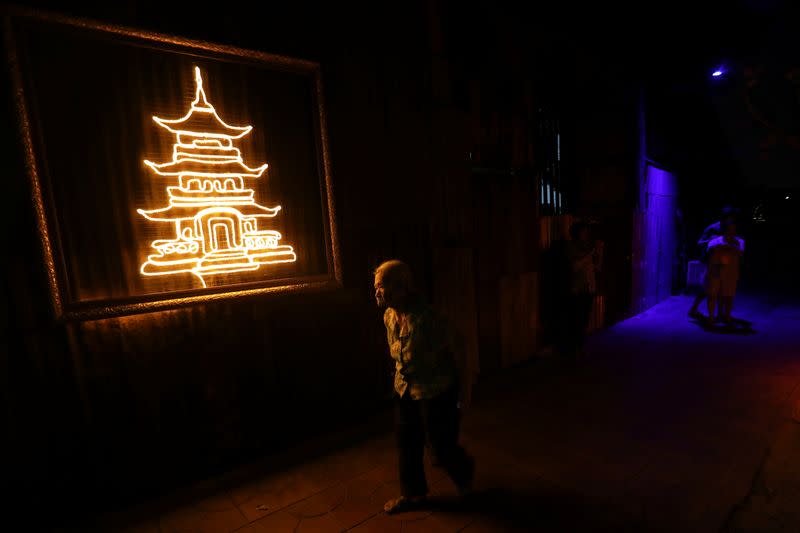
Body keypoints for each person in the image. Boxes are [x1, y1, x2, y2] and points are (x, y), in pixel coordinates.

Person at [373, 259, 475, 514]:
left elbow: (459, 347)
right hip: (405, 388)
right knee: (407, 442)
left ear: (402, 287)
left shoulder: (428, 317)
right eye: (376, 286)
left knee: (440, 446)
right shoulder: (388, 316)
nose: (377, 292)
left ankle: (465, 478)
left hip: (436, 390)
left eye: (382, 286)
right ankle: (413, 494)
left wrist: (465, 391)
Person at [688, 206, 739, 318]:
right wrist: (713, 240)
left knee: (719, 288)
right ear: (724, 218)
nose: (730, 221)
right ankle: (695, 309)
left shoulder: (730, 228)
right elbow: (700, 242)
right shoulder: (713, 228)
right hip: (711, 261)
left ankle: (718, 313)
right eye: (729, 218)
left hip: (724, 262)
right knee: (707, 287)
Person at [562, 222, 603, 358]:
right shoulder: (572, 248)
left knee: (584, 319)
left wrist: (599, 254)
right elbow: (575, 267)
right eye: (583, 232)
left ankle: (579, 346)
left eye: (587, 232)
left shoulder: (587, 248)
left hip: (588, 288)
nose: (586, 234)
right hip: (577, 289)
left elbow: (596, 268)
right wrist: (591, 254)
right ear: (577, 233)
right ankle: (574, 348)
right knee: (576, 319)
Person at [705, 221, 744, 324]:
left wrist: (727, 248)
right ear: (724, 230)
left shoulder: (739, 241)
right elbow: (709, 253)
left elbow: (740, 253)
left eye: (733, 229)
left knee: (728, 296)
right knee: (712, 295)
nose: (731, 231)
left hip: (731, 273)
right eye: (729, 229)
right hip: (715, 272)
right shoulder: (715, 241)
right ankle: (711, 317)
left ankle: (726, 316)